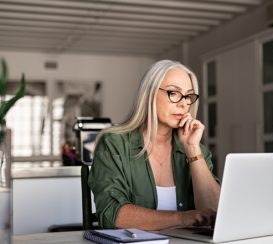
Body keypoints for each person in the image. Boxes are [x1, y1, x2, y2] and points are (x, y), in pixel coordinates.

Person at [88, 60, 220, 231]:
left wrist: (193, 150)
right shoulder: (114, 144)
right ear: (149, 94)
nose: (184, 104)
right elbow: (113, 215)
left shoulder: (196, 149)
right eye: (173, 93)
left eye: (188, 96)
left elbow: (217, 213)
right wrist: (183, 218)